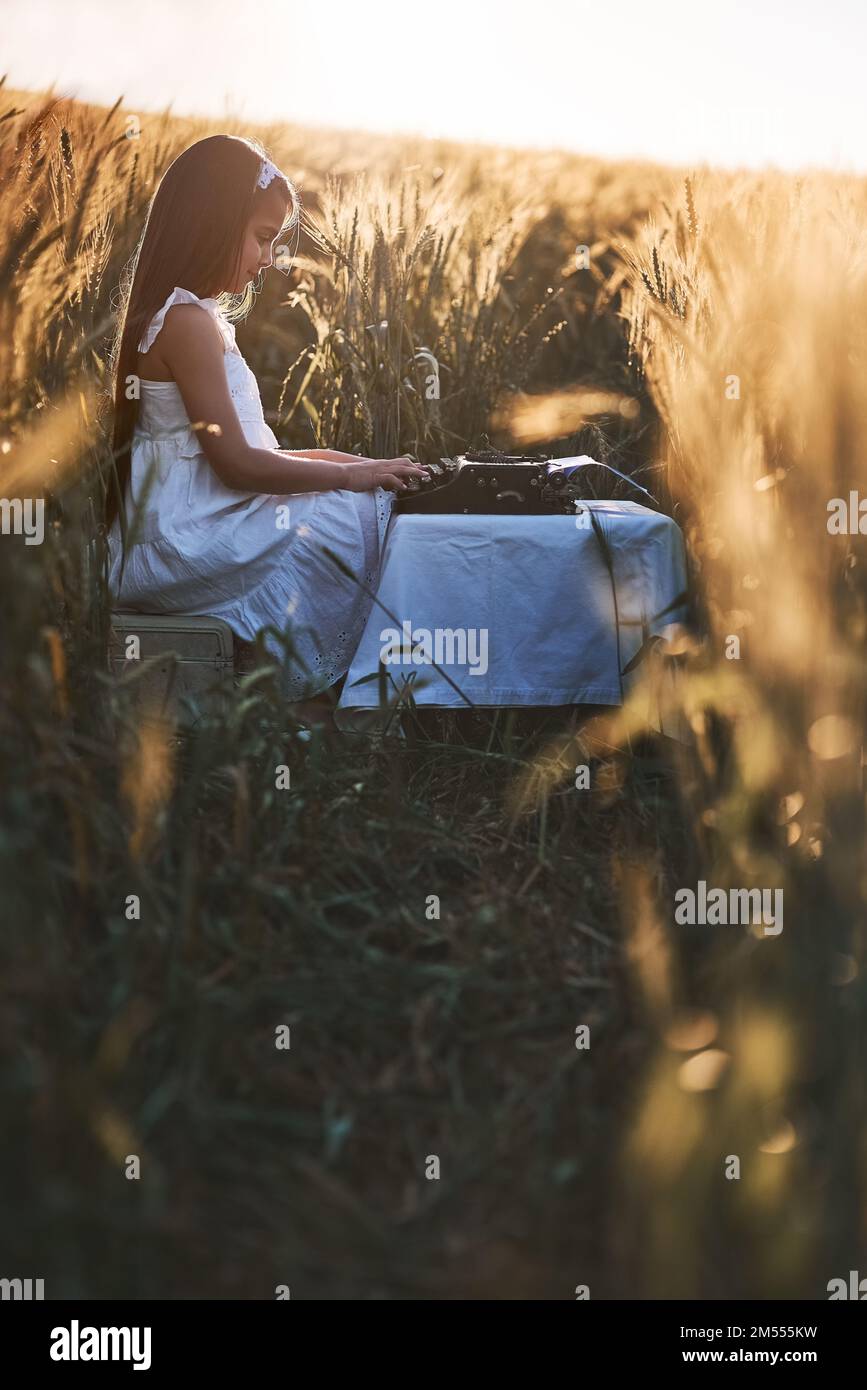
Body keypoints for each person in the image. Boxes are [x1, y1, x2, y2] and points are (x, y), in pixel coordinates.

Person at [105, 133, 426, 701]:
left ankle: (350, 693)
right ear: (211, 223)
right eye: (261, 239)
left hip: (199, 521)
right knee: (342, 521)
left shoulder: (198, 319)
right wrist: (352, 478)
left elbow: (261, 455)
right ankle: (349, 697)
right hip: (182, 540)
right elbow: (239, 466)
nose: (270, 260)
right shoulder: (184, 324)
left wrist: (366, 465)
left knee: (361, 500)